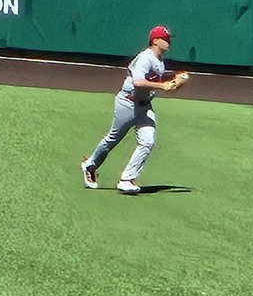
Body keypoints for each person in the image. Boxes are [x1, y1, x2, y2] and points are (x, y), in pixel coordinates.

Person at [80, 26, 186, 195]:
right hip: (127, 104)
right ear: (155, 40)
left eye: (169, 38)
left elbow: (154, 82)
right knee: (113, 139)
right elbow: (138, 82)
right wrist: (163, 85)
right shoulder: (146, 57)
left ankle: (126, 179)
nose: (169, 41)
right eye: (165, 38)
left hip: (144, 107)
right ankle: (90, 165)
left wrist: (173, 81)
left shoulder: (159, 60)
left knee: (148, 141)